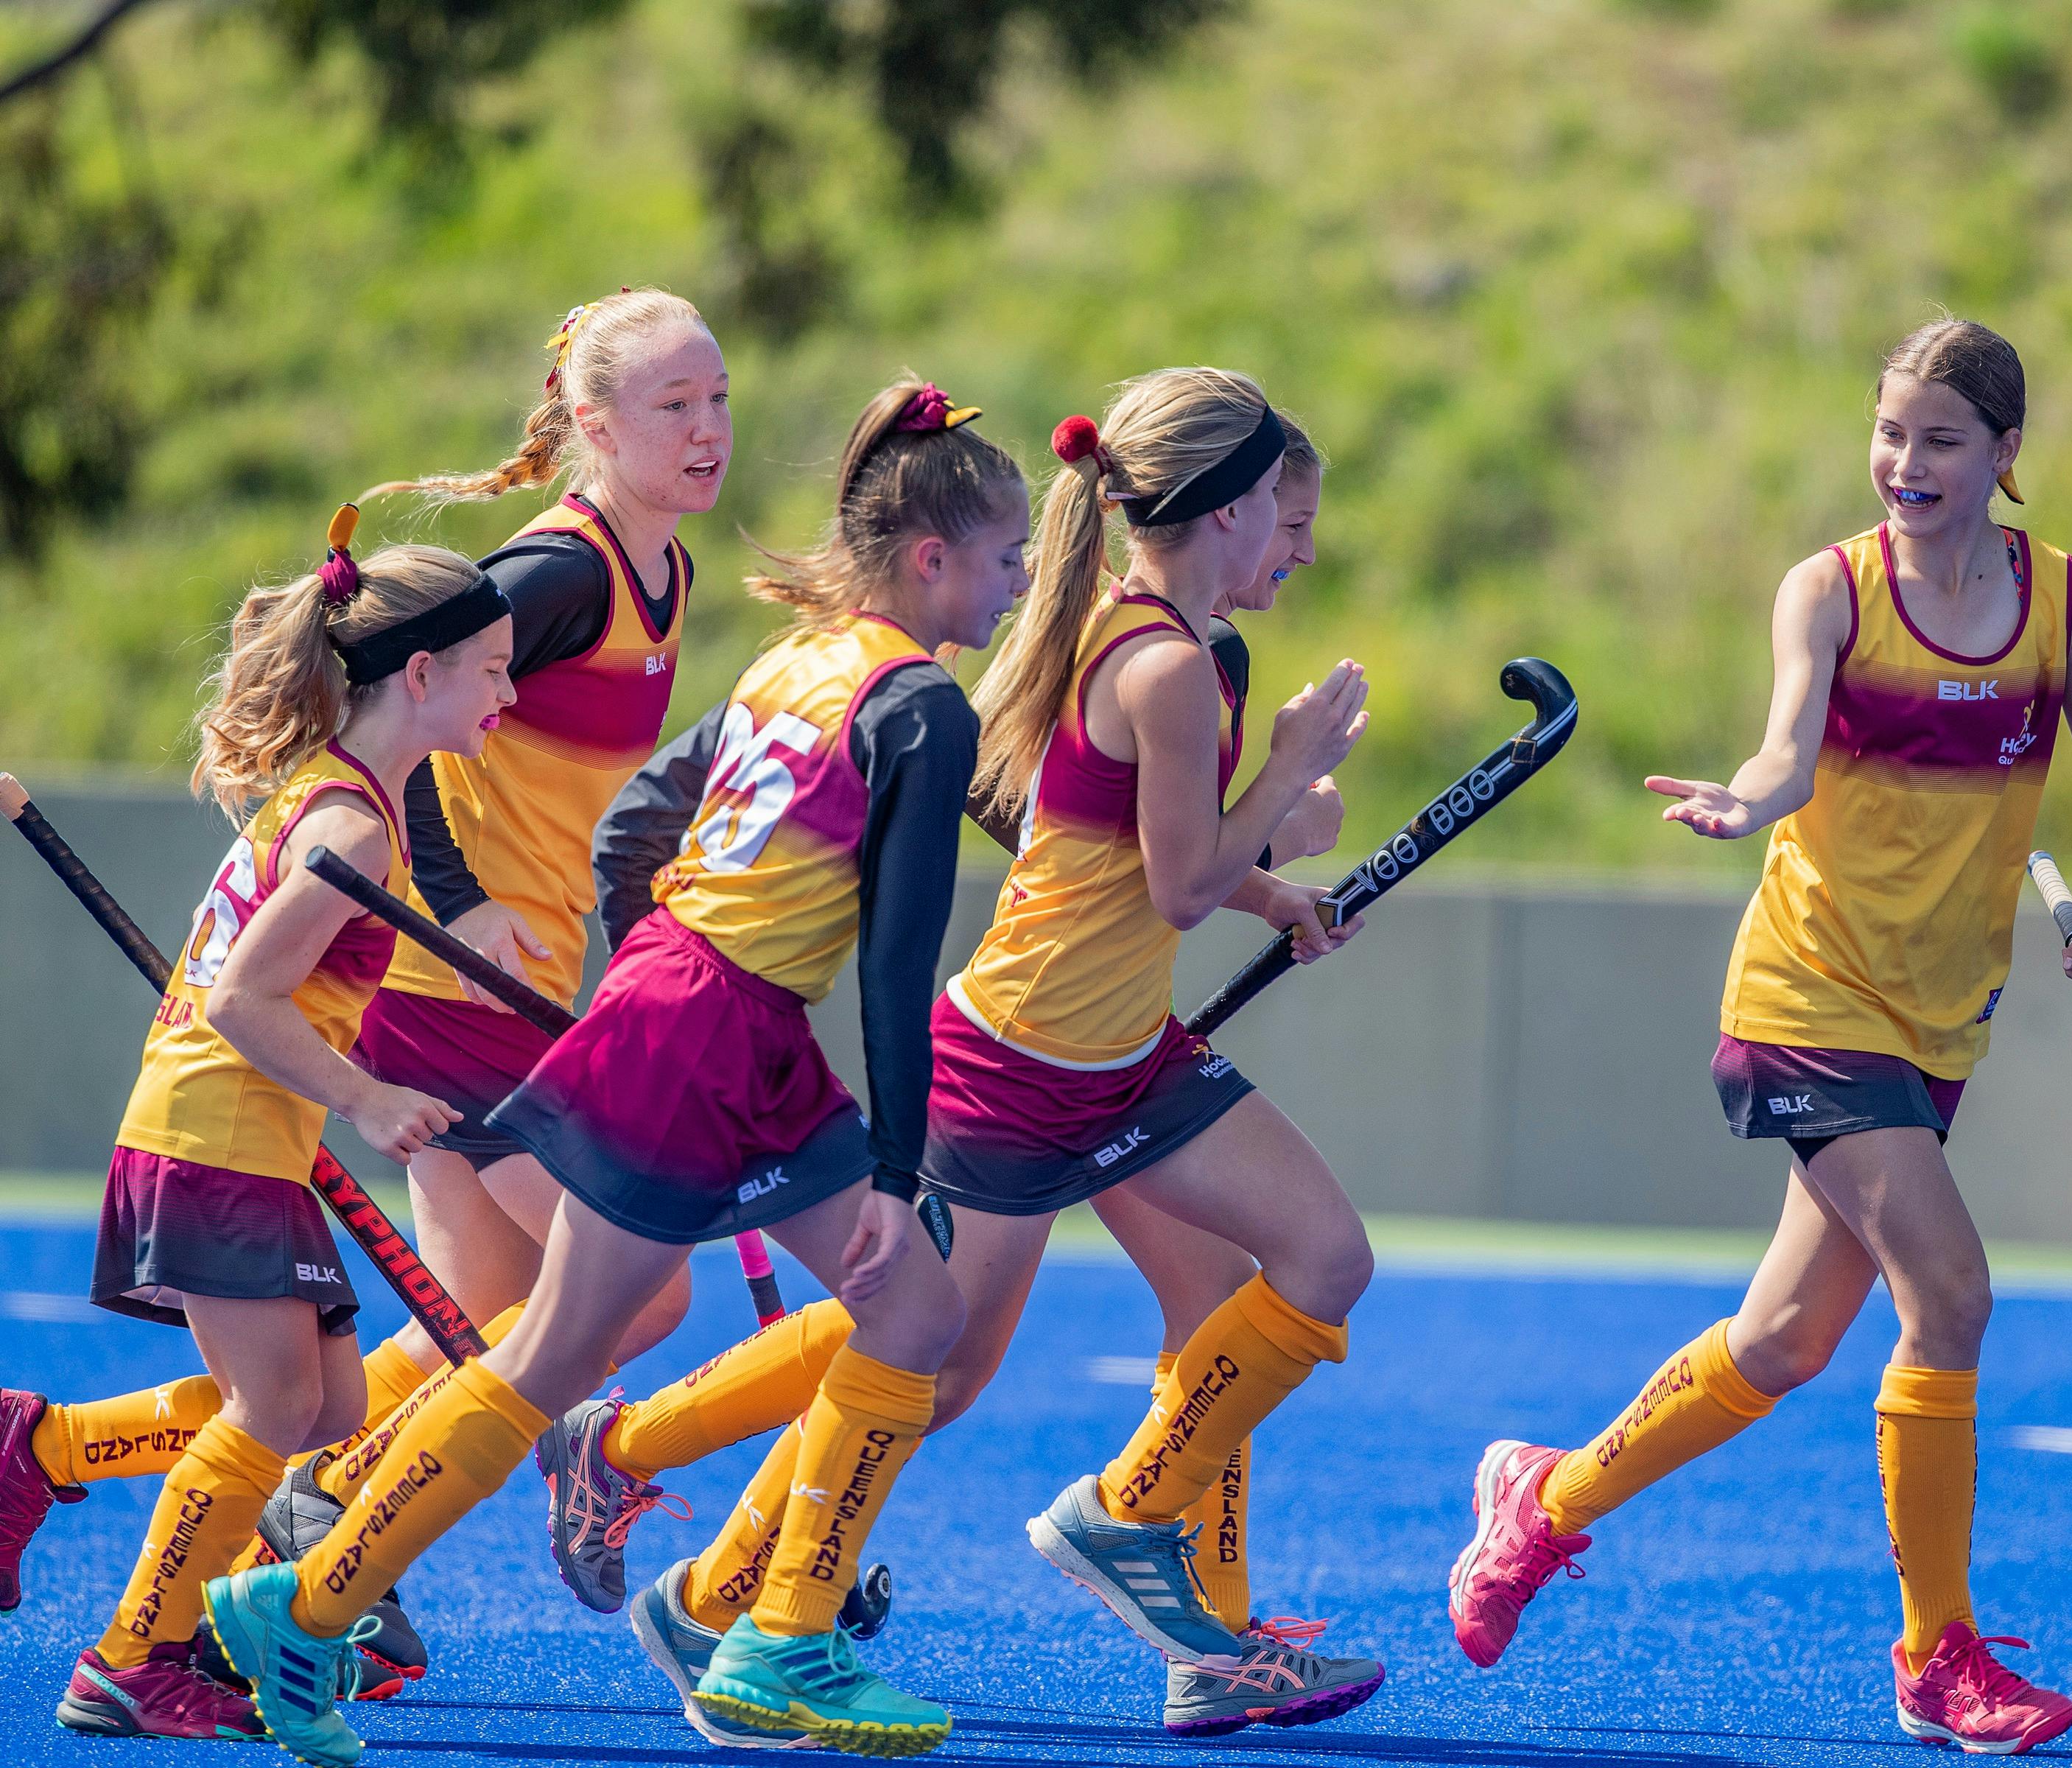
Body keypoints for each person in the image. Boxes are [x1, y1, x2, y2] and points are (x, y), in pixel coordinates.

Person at [200, 379, 1028, 1766]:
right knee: (834, 1315)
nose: (1015, 587)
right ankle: (762, 1639)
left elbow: (641, 829)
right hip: (712, 1027)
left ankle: (313, 1595)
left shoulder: (800, 661)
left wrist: (673, 962)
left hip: (696, 1010)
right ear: (933, 557)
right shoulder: (921, 707)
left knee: (851, 1319)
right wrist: (891, 1159)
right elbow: (898, 963)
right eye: (1006, 560)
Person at [1447, 318, 2072, 1755]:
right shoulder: (1830, 591)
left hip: (1940, 1017)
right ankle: (1935, 1655)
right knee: (1948, 1295)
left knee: (1780, 1342)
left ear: (2007, 455)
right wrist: (1754, 800)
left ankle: (1543, 1500)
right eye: (1892, 434)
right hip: (1810, 994)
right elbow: (1783, 744)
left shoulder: (2062, 606)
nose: (1907, 463)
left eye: (1942, 440)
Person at [0, 510, 513, 1741]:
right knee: (277, 1413)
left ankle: (39, 1448)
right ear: (424, 674)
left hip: (239, 1136)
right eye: (495, 671)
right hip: (214, 1132)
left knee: (325, 1409)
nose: (509, 691)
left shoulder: (339, 795)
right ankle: (135, 1655)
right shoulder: (350, 827)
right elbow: (242, 997)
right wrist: (369, 1098)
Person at [930, 368, 1377, 1720]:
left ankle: (1206, 1628)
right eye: (1285, 523)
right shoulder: (1171, 662)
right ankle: (717, 1567)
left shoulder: (1147, 634)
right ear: (1237, 509)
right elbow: (1177, 882)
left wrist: (1273, 871)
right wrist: (1289, 782)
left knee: (1276, 1273)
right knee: (933, 1362)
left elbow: (1151, 859)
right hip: (1033, 1054)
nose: (1297, 550)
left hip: (1115, 1047)